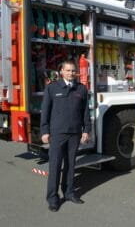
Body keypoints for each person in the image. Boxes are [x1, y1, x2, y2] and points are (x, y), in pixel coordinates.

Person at [40, 60, 91, 212]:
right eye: (67, 70)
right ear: (61, 71)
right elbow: (46, 111)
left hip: (74, 133)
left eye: (73, 71)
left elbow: (86, 112)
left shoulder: (81, 89)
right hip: (57, 134)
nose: (70, 73)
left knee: (70, 165)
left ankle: (69, 193)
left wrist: (86, 129)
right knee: (55, 166)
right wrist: (44, 131)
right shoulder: (52, 88)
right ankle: (53, 198)